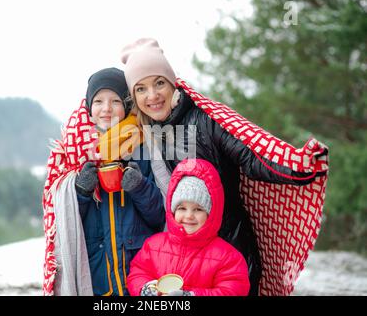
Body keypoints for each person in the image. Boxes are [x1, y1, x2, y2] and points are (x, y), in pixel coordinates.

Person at [120, 38, 329, 296]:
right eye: (141, 89)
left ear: (173, 84)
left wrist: (298, 169)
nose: (152, 96)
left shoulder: (206, 121)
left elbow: (251, 158)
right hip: (183, 253)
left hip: (230, 245)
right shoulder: (150, 134)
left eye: (159, 83)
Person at [43, 67, 165, 296]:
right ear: (89, 107)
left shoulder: (143, 149)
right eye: (98, 101)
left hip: (142, 279)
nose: (106, 108)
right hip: (96, 280)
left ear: (127, 105)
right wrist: (80, 191)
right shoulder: (72, 154)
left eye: (115, 101)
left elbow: (162, 215)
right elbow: (61, 225)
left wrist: (139, 187)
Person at [127, 158, 250, 296]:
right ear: (172, 210)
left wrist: (190, 295)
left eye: (198, 209)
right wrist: (144, 289)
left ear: (211, 213)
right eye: (182, 208)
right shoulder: (153, 245)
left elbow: (232, 291)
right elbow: (138, 273)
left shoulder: (228, 258)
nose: (189, 216)